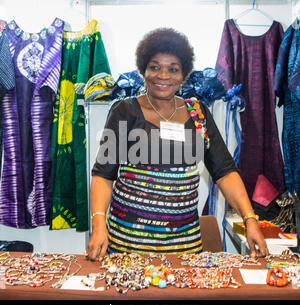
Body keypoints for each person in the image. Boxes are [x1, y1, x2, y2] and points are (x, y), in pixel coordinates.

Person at [87, 28, 269, 261]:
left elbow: (225, 172)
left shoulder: (198, 114)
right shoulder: (125, 111)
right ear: (143, 70)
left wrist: (250, 220)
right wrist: (99, 223)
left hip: (184, 250)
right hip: (127, 248)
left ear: (183, 74)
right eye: (155, 67)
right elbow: (103, 174)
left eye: (173, 69)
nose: (163, 75)